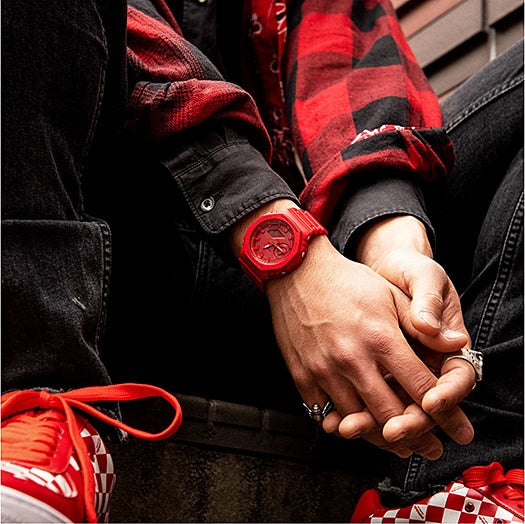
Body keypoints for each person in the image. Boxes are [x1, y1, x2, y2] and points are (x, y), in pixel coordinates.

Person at [1, 0, 522, 522]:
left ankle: (475, 481)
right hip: (97, 265)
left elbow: (353, 77)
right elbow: (149, 66)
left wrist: (393, 247)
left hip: (311, 295)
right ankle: (33, 405)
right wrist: (290, 257)